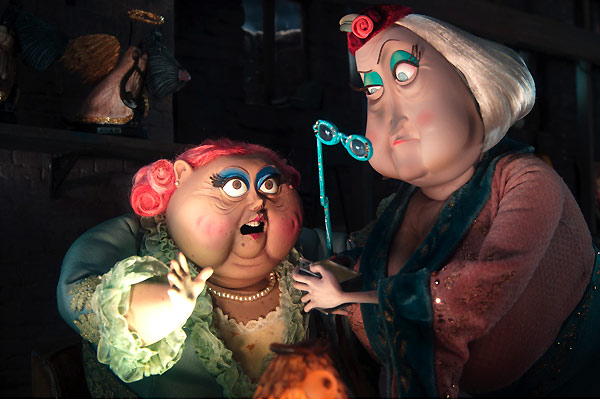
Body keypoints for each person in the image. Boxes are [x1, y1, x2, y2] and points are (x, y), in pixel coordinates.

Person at [292, 4, 600, 398]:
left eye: (405, 75)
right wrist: (336, 273)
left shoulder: (526, 181)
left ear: (472, 82)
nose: (391, 115)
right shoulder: (403, 204)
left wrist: (349, 298)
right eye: (373, 89)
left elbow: (478, 293)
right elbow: (370, 263)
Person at [57, 138, 311, 398]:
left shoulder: (301, 252)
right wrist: (161, 308)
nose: (257, 202)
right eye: (235, 186)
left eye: (270, 185)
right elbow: (79, 293)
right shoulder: (136, 236)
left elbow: (337, 248)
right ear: (181, 177)